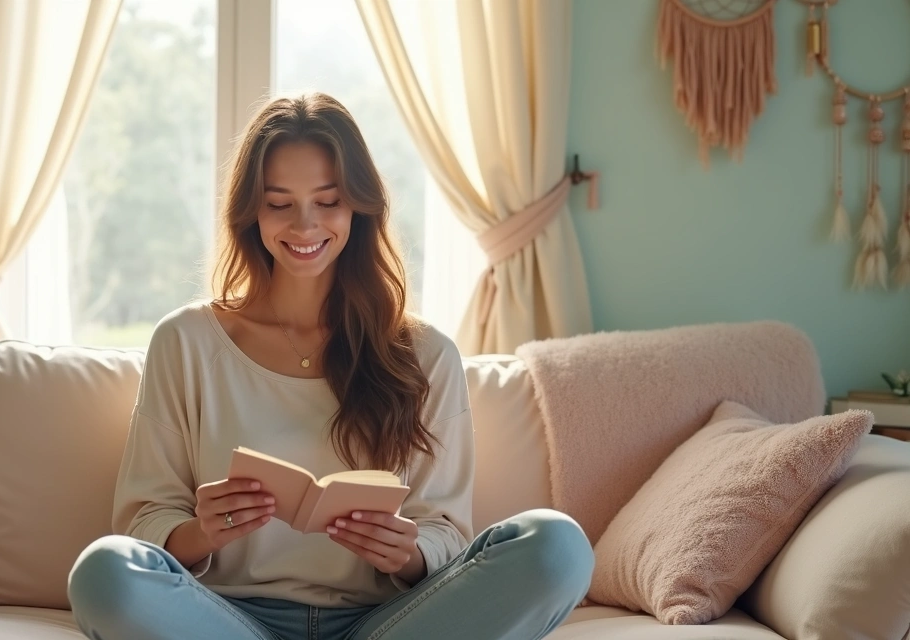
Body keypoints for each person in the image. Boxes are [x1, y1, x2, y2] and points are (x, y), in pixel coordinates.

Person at [67, 93, 593, 640]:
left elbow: (446, 534)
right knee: (104, 571)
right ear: (251, 211)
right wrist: (202, 532)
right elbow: (143, 524)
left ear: (358, 207)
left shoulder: (426, 353)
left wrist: (405, 553)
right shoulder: (187, 342)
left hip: (387, 624)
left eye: (328, 200)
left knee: (556, 545)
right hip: (228, 621)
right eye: (279, 203)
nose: (305, 224)